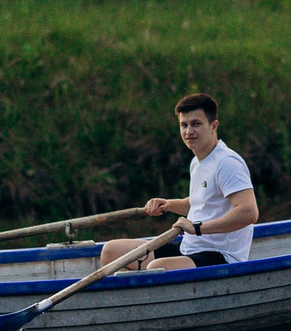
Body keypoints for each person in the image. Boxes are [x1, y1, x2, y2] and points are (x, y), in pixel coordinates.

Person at [101, 93, 258, 273]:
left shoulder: (227, 162)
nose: (188, 131)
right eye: (184, 125)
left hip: (220, 255)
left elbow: (249, 212)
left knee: (157, 268)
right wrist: (168, 205)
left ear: (213, 126)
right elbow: (202, 203)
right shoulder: (197, 161)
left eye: (196, 124)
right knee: (111, 252)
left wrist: (197, 228)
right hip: (189, 249)